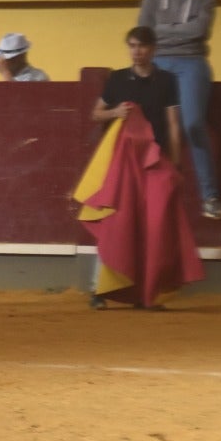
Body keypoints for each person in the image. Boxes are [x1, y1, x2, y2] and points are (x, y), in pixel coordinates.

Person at [80, 26, 194, 310]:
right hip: (124, 164)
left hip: (156, 161)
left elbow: (172, 124)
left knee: (154, 226)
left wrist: (176, 164)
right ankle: (98, 288)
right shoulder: (118, 79)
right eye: (132, 46)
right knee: (117, 220)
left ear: (153, 49)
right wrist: (115, 112)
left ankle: (147, 292)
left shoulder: (166, 80)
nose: (136, 51)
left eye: (142, 46)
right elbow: (95, 113)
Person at [138, 0, 221, 220]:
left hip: (192, 63)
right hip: (160, 63)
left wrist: (164, 33)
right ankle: (146, 194)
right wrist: (180, 32)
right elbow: (144, 32)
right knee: (151, 125)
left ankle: (210, 197)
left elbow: (199, 32)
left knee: (192, 124)